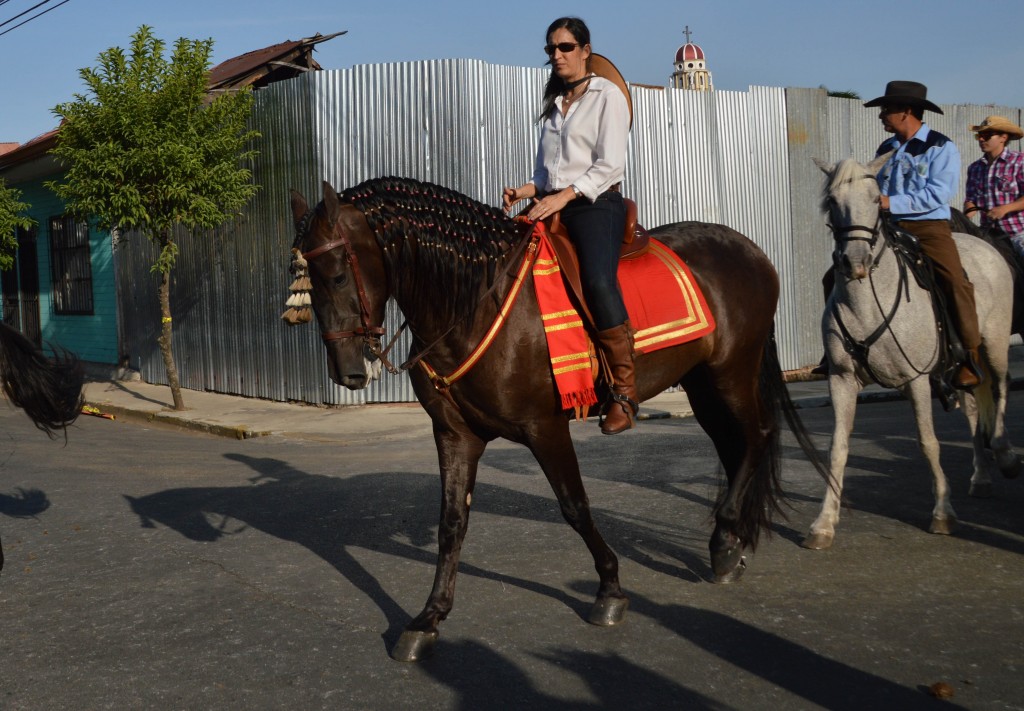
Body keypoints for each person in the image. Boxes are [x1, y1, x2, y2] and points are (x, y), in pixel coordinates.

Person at [502, 17, 635, 434]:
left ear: (585, 50)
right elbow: (548, 173)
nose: (556, 55)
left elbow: (609, 164)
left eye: (565, 47)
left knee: (596, 280)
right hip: (553, 203)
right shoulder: (555, 102)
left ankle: (624, 391)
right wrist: (526, 189)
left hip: (597, 204)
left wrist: (563, 196)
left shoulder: (607, 96)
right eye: (551, 49)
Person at [814, 80, 983, 389]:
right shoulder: (885, 150)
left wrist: (892, 202)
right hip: (887, 227)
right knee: (832, 277)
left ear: (906, 111)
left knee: (954, 281)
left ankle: (968, 356)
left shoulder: (940, 147)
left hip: (928, 227)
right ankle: (835, 352)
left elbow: (939, 193)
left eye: (886, 109)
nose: (882, 115)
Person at [963, 115, 1024, 255]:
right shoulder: (975, 168)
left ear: (1003, 137)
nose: (981, 139)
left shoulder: (1020, 161)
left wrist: (1005, 209)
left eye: (987, 135)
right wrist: (969, 209)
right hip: (988, 235)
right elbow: (971, 198)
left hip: (1018, 233)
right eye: (979, 136)